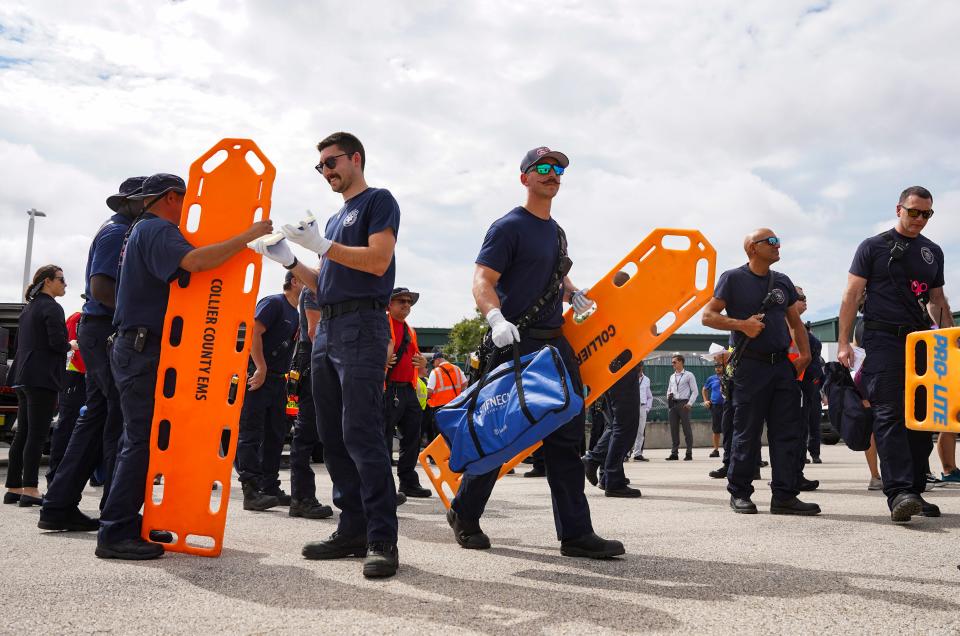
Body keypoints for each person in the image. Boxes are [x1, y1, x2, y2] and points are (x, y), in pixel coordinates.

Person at [445, 145, 623, 558]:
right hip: (514, 341)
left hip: (554, 341)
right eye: (542, 168)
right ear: (524, 177)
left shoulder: (556, 231)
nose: (552, 173)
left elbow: (552, 276)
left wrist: (573, 292)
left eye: (558, 168)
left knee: (566, 438)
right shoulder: (508, 227)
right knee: (500, 434)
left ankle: (576, 534)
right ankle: (465, 512)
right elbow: (482, 279)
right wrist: (494, 318)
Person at [96, 173, 271, 560]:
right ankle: (115, 532)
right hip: (141, 347)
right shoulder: (156, 228)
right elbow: (196, 261)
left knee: (141, 440)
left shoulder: (142, 230)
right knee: (141, 441)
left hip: (137, 345)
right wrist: (248, 234)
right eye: (187, 199)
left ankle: (126, 522)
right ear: (172, 198)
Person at [252, 131, 402, 578]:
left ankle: (381, 539)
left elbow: (377, 262)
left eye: (332, 162)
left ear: (355, 158)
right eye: (320, 166)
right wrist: (289, 261)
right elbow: (325, 283)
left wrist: (319, 246)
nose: (326, 171)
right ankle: (351, 528)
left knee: (362, 434)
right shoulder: (335, 220)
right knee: (331, 437)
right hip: (330, 327)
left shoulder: (379, 201)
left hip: (362, 326)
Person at [837, 186, 953, 522]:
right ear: (899, 209)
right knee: (888, 413)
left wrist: (944, 336)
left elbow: (936, 300)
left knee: (922, 416)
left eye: (927, 214)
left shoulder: (933, 252)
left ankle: (915, 490)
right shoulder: (873, 247)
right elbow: (851, 294)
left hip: (920, 343)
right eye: (914, 212)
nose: (920, 219)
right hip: (883, 338)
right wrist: (844, 342)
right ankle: (898, 492)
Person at [40, 177, 144, 532]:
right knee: (119, 417)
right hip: (104, 330)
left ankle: (58, 505)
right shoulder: (117, 233)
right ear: (133, 202)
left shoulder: (122, 230)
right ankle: (116, 512)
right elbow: (101, 287)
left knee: (98, 417)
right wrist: (135, 314)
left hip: (100, 331)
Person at [702, 228, 819, 516]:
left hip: (781, 367)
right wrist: (743, 325)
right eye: (772, 241)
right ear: (753, 248)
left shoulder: (783, 282)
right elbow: (708, 316)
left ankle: (785, 496)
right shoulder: (732, 278)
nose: (779, 246)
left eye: (779, 240)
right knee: (747, 432)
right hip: (749, 366)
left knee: (787, 432)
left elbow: (795, 322)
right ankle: (740, 493)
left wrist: (804, 355)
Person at [4, 265, 74, 507]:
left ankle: (13, 487)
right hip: (41, 377)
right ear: (47, 281)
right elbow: (57, 343)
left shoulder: (29, 308)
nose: (65, 284)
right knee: (37, 434)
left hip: (22, 376)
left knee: (22, 433)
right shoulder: (52, 308)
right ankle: (30, 489)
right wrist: (71, 345)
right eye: (61, 279)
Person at [235, 272, 301, 511]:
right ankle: (251, 491)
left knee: (275, 434)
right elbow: (254, 331)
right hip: (259, 375)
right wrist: (260, 367)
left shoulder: (295, 312)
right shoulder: (274, 303)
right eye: (305, 278)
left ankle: (269, 485)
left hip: (277, 380)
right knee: (251, 431)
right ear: (294, 281)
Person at [286, 273, 334, 519]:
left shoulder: (326, 285)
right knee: (306, 433)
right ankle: (301, 498)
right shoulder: (315, 288)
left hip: (321, 358)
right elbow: (315, 332)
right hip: (314, 359)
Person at [383, 287, 431, 498]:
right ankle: (384, 485)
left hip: (407, 389)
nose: (406, 305)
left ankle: (408, 482)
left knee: (412, 437)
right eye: (401, 301)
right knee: (383, 438)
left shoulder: (410, 331)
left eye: (409, 302)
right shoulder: (382, 323)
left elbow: (418, 360)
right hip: (387, 388)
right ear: (389, 305)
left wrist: (423, 361)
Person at [46, 310, 86, 484]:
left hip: (86, 375)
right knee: (67, 425)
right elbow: (72, 347)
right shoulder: (78, 318)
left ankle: (95, 474)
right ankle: (54, 476)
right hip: (75, 374)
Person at [794, 288, 823, 464]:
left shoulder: (801, 326)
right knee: (798, 423)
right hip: (796, 382)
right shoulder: (785, 326)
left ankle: (809, 454)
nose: (805, 300)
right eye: (801, 297)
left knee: (810, 422)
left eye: (806, 297)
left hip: (809, 384)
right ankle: (798, 458)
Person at [425, 350, 466, 446]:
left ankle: (437, 457)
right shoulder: (456, 368)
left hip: (440, 407)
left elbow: (429, 391)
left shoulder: (435, 372)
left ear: (438, 360)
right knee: (453, 432)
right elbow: (465, 383)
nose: (433, 365)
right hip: (455, 405)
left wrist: (427, 399)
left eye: (433, 362)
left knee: (439, 434)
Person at [665, 355, 697, 461]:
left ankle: (689, 452)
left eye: (674, 362)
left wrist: (690, 403)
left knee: (686, 429)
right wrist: (668, 396)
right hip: (673, 404)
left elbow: (695, 391)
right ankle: (674, 453)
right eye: (672, 362)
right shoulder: (671, 376)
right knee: (674, 429)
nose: (672, 364)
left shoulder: (689, 375)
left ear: (681, 362)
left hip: (684, 404)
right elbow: (669, 389)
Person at [630, 361, 653, 461]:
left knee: (640, 432)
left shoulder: (646, 379)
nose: (638, 369)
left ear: (642, 367)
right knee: (629, 431)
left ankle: (637, 454)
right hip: (630, 407)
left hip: (642, 407)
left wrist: (647, 408)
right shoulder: (630, 379)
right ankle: (626, 454)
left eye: (639, 366)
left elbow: (650, 396)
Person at [702, 361, 724, 458]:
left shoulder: (729, 377)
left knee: (729, 428)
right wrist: (706, 400)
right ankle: (716, 450)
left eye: (719, 366)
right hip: (715, 406)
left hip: (727, 406)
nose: (717, 368)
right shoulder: (711, 379)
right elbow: (704, 389)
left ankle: (731, 448)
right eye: (716, 367)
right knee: (716, 429)